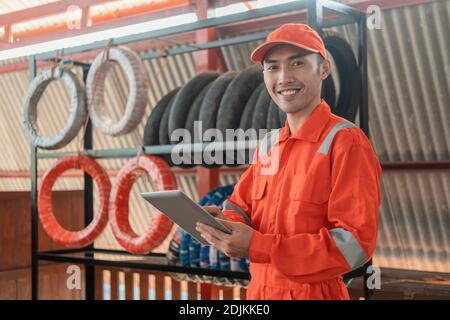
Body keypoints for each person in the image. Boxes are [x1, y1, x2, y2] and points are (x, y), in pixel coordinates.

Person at [196, 23, 382, 300]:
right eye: (273, 67)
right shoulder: (270, 145)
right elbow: (240, 205)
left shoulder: (345, 142)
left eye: (297, 63)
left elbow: (354, 245)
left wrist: (260, 246)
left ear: (324, 69)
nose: (283, 77)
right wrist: (225, 225)